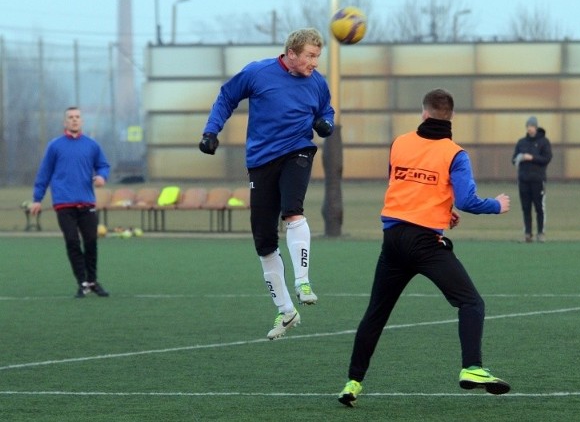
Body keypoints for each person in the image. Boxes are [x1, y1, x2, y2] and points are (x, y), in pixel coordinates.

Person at [338, 89, 511, 407]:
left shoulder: (399, 143)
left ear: (423, 114)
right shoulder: (455, 154)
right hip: (424, 244)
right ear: (452, 117)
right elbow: (468, 200)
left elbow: (405, 186)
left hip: (392, 241)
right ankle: (472, 368)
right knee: (471, 303)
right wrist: (497, 206)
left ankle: (352, 382)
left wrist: (444, 211)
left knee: (375, 315)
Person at [199, 28, 335, 340]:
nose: (315, 62)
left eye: (318, 56)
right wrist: (211, 131)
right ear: (291, 53)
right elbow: (227, 97)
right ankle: (287, 310)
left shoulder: (317, 82)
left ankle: (303, 281)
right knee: (263, 241)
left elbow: (326, 112)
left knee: (292, 210)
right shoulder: (257, 72)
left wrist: (325, 124)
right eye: (310, 56)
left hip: (298, 151)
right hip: (261, 162)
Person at [31, 107, 111, 298]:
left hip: (87, 202)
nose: (74, 120)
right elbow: (44, 173)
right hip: (64, 203)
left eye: (77, 117)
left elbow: (103, 165)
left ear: (82, 121)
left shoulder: (92, 145)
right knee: (72, 241)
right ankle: (82, 283)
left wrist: (101, 177)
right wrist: (37, 199)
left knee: (91, 241)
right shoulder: (55, 146)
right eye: (70, 117)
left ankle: (92, 281)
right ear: (64, 122)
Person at [512, 116, 552, 243]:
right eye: (528, 126)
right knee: (526, 207)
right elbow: (513, 159)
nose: (530, 128)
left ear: (536, 127)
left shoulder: (543, 142)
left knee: (539, 207)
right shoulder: (521, 142)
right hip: (523, 180)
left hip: (538, 180)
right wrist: (519, 158)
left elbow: (547, 158)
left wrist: (532, 157)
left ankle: (541, 233)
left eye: (532, 126)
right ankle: (528, 234)